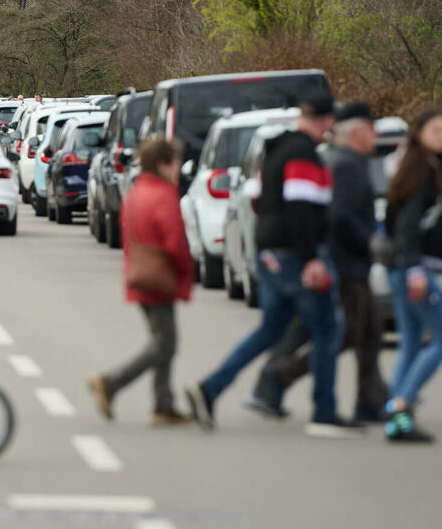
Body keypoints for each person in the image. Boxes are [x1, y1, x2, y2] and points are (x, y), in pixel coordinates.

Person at [186, 97, 363, 438]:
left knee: (270, 331)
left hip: (271, 253)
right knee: (329, 328)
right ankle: (324, 413)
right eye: (331, 122)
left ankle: (209, 389)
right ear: (325, 120)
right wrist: (311, 259)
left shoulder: (278, 149)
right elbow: (299, 209)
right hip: (294, 256)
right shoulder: (302, 153)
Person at [245, 102, 390, 423]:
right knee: (343, 332)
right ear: (355, 132)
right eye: (371, 129)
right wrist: (366, 242)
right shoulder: (346, 165)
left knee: (366, 332)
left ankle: (370, 398)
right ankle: (278, 377)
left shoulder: (348, 161)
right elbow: (338, 216)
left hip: (350, 262)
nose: (376, 136)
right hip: (345, 263)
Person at [88, 135, 195, 426]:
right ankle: (111, 383)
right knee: (165, 345)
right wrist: (187, 269)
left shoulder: (136, 193)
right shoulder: (163, 195)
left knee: (162, 341)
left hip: (140, 272)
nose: (178, 169)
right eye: (175, 163)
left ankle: (163, 404)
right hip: (160, 275)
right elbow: (175, 242)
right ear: (162, 164)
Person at [382, 109, 442, 443]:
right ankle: (401, 404)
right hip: (413, 269)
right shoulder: (421, 170)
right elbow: (407, 226)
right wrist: (415, 270)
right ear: (418, 133)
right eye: (436, 130)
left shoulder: (421, 165)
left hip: (401, 267)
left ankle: (396, 418)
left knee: (411, 342)